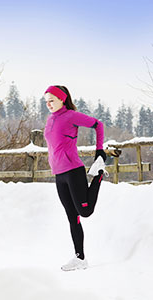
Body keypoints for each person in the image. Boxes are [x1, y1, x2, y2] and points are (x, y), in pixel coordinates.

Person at [44, 85, 107, 271]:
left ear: (62, 99)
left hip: (73, 171)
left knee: (85, 212)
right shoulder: (50, 119)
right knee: (73, 217)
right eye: (46, 101)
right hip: (59, 174)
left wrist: (99, 150)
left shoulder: (71, 116)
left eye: (52, 100)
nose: (48, 104)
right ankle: (80, 258)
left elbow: (98, 125)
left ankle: (99, 173)